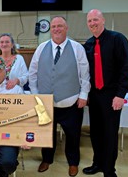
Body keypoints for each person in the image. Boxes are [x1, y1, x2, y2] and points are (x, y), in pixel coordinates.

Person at [29, 16, 91, 177]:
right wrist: (36, 96)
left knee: (73, 136)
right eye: (54, 26)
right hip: (46, 103)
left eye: (60, 26)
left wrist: (84, 95)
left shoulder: (77, 48)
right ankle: (47, 160)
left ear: (66, 28)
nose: (56, 29)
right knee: (47, 134)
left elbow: (85, 74)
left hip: (71, 101)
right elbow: (33, 74)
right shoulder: (41, 48)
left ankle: (73, 163)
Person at [82, 9, 128, 177]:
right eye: (89, 21)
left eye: (95, 19)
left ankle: (109, 170)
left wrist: (120, 95)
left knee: (110, 134)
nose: (92, 23)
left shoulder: (117, 39)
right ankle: (97, 164)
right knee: (95, 133)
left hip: (112, 95)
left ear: (103, 20)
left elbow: (125, 68)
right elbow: (86, 72)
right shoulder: (88, 44)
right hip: (94, 95)